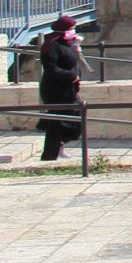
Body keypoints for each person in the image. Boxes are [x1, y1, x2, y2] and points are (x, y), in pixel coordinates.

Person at [36, 14, 84, 162]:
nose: (73, 32)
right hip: (56, 89)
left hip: (68, 89)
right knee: (56, 122)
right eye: (71, 29)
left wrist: (76, 49)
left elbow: (71, 60)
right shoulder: (51, 46)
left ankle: (59, 147)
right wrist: (71, 76)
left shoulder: (67, 43)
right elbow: (51, 69)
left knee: (75, 116)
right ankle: (50, 155)